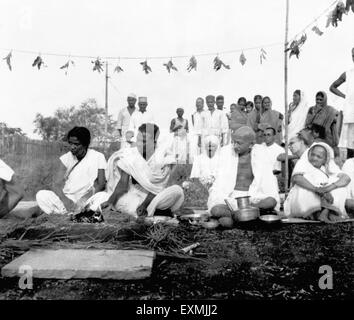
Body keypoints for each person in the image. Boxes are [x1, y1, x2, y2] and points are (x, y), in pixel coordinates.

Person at [101, 123, 184, 218]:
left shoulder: (163, 158)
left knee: (177, 191)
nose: (139, 144)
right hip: (134, 196)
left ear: (154, 142)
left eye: (143, 141)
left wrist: (144, 205)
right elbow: (123, 184)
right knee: (122, 202)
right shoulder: (131, 156)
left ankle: (149, 209)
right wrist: (110, 201)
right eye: (138, 140)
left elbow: (159, 187)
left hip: (156, 196)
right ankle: (154, 211)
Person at [207, 126, 279, 226]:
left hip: (253, 199)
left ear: (251, 144)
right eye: (234, 142)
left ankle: (239, 217)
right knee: (216, 210)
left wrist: (252, 205)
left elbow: (268, 182)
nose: (235, 146)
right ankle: (245, 217)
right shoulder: (225, 152)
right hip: (231, 198)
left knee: (271, 201)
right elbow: (219, 183)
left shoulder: (261, 153)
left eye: (239, 143)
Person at [36, 127, 108, 215]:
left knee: (103, 196)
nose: (72, 147)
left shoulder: (98, 156)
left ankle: (69, 214)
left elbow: (101, 184)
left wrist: (83, 200)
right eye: (70, 143)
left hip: (86, 198)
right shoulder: (66, 158)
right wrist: (66, 201)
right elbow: (56, 184)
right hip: (67, 198)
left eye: (76, 144)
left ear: (85, 144)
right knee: (41, 195)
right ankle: (72, 215)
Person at [284, 142, 350, 222]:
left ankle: (325, 212)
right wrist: (317, 189)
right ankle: (318, 213)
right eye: (313, 155)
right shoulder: (303, 163)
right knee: (305, 181)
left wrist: (327, 189)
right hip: (305, 196)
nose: (314, 158)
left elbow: (346, 178)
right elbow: (297, 178)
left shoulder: (327, 167)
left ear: (325, 159)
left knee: (339, 185)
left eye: (319, 157)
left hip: (324, 194)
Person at [329, 47, 354, 161]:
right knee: (350, 145)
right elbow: (332, 87)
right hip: (351, 113)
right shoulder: (347, 74)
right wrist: (345, 96)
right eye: (353, 55)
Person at [190, 97, 207, 162]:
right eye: (197, 103)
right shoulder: (193, 114)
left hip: (203, 136)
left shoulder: (206, 113)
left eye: (200, 103)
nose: (198, 104)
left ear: (203, 104)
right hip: (195, 136)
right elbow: (194, 126)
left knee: (203, 153)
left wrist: (200, 137)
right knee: (194, 153)